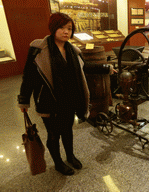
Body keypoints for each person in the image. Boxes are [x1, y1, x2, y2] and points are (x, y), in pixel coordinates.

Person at [18, 12, 114, 175]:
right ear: (53, 28)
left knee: (68, 131)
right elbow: (28, 76)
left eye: (69, 28)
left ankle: (70, 156)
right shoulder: (38, 49)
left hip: (70, 100)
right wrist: (23, 100)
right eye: (61, 27)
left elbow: (85, 67)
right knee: (54, 134)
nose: (66, 31)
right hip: (49, 101)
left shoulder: (72, 50)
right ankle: (58, 163)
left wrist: (106, 68)